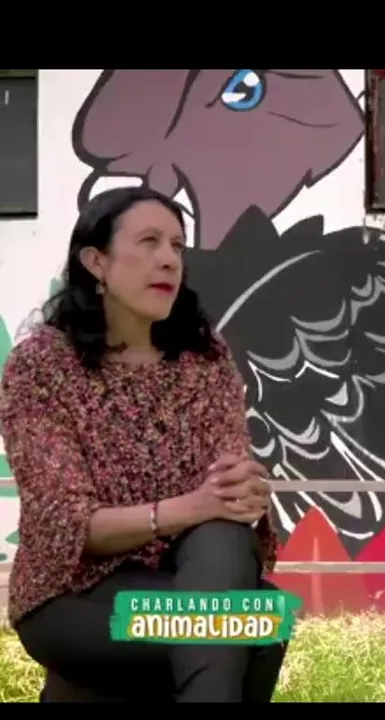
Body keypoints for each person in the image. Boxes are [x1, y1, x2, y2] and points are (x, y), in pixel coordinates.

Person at [0, 186, 287, 703]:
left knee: (228, 554)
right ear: (96, 263)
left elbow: (226, 489)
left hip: (193, 576)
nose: (169, 260)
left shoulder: (204, 358)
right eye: (149, 241)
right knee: (247, 626)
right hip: (74, 592)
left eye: (177, 245)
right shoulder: (42, 366)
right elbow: (68, 526)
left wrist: (245, 491)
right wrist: (191, 507)